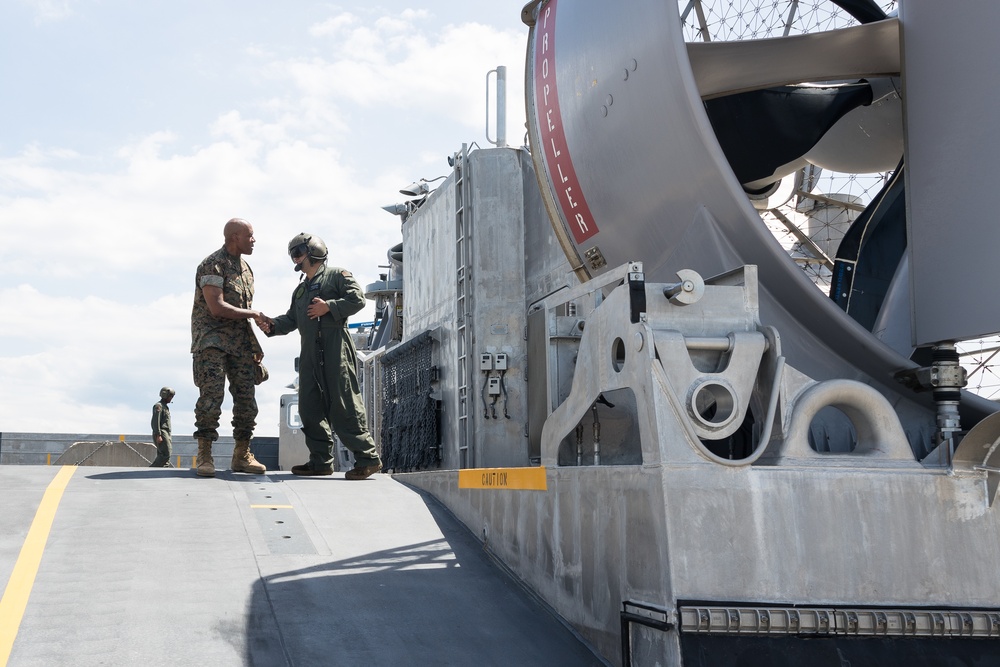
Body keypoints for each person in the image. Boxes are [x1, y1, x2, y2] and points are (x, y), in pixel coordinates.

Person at [261, 232, 382, 479]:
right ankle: (320, 461)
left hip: (335, 346)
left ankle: (368, 458)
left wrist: (329, 307)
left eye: (298, 253)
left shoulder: (337, 276)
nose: (295, 259)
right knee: (309, 406)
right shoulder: (301, 291)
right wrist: (272, 325)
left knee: (344, 403)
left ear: (313, 251)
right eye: (293, 255)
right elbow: (292, 319)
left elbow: (357, 299)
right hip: (309, 353)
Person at [190, 217, 269, 477]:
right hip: (212, 341)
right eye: (250, 236)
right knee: (211, 399)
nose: (254, 240)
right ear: (235, 237)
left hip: (240, 344)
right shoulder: (212, 264)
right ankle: (205, 455)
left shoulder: (246, 269)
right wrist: (253, 313)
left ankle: (242, 455)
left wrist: (253, 343)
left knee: (247, 400)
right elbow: (217, 307)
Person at [150, 386, 174, 467]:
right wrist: (158, 435)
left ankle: (163, 470)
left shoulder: (165, 407)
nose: (171, 398)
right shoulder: (159, 406)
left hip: (166, 433)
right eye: (170, 396)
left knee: (166, 453)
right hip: (162, 432)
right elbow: (155, 421)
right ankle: (151, 471)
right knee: (165, 453)